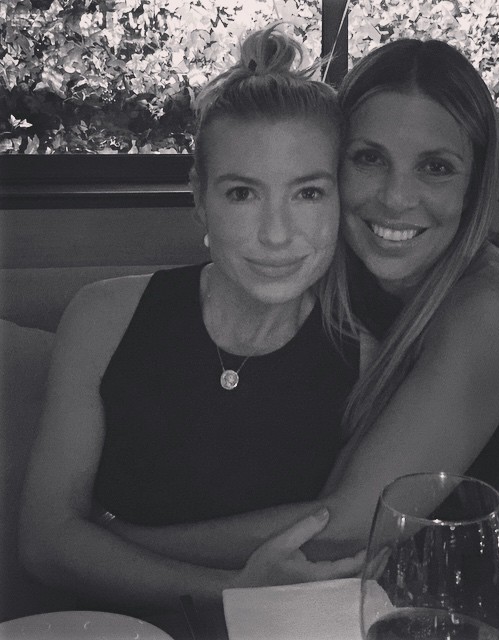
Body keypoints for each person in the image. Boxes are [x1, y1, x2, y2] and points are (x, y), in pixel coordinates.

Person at [101, 38, 499, 635]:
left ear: (476, 183)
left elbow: (346, 527)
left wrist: (112, 539)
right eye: (369, 158)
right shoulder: (342, 275)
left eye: (436, 167)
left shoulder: (497, 307)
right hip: (383, 606)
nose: (395, 198)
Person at [19, 25, 365, 616]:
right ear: (199, 197)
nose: (276, 234)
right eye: (242, 194)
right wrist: (230, 593)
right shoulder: (104, 317)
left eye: (308, 193)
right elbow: (44, 543)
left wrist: (110, 537)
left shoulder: (368, 355)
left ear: (340, 199)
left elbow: (350, 533)